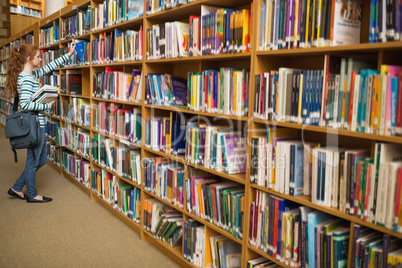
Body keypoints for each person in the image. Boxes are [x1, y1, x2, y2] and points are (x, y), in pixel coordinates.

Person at [6, 43, 75, 203]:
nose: (41, 59)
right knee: (34, 159)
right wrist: (46, 106)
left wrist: (68, 54)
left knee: (41, 159)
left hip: (37, 124)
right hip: (34, 126)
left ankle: (17, 188)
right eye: (38, 56)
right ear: (29, 59)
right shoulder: (26, 79)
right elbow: (25, 104)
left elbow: (49, 66)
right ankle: (32, 194)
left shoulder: (30, 75)